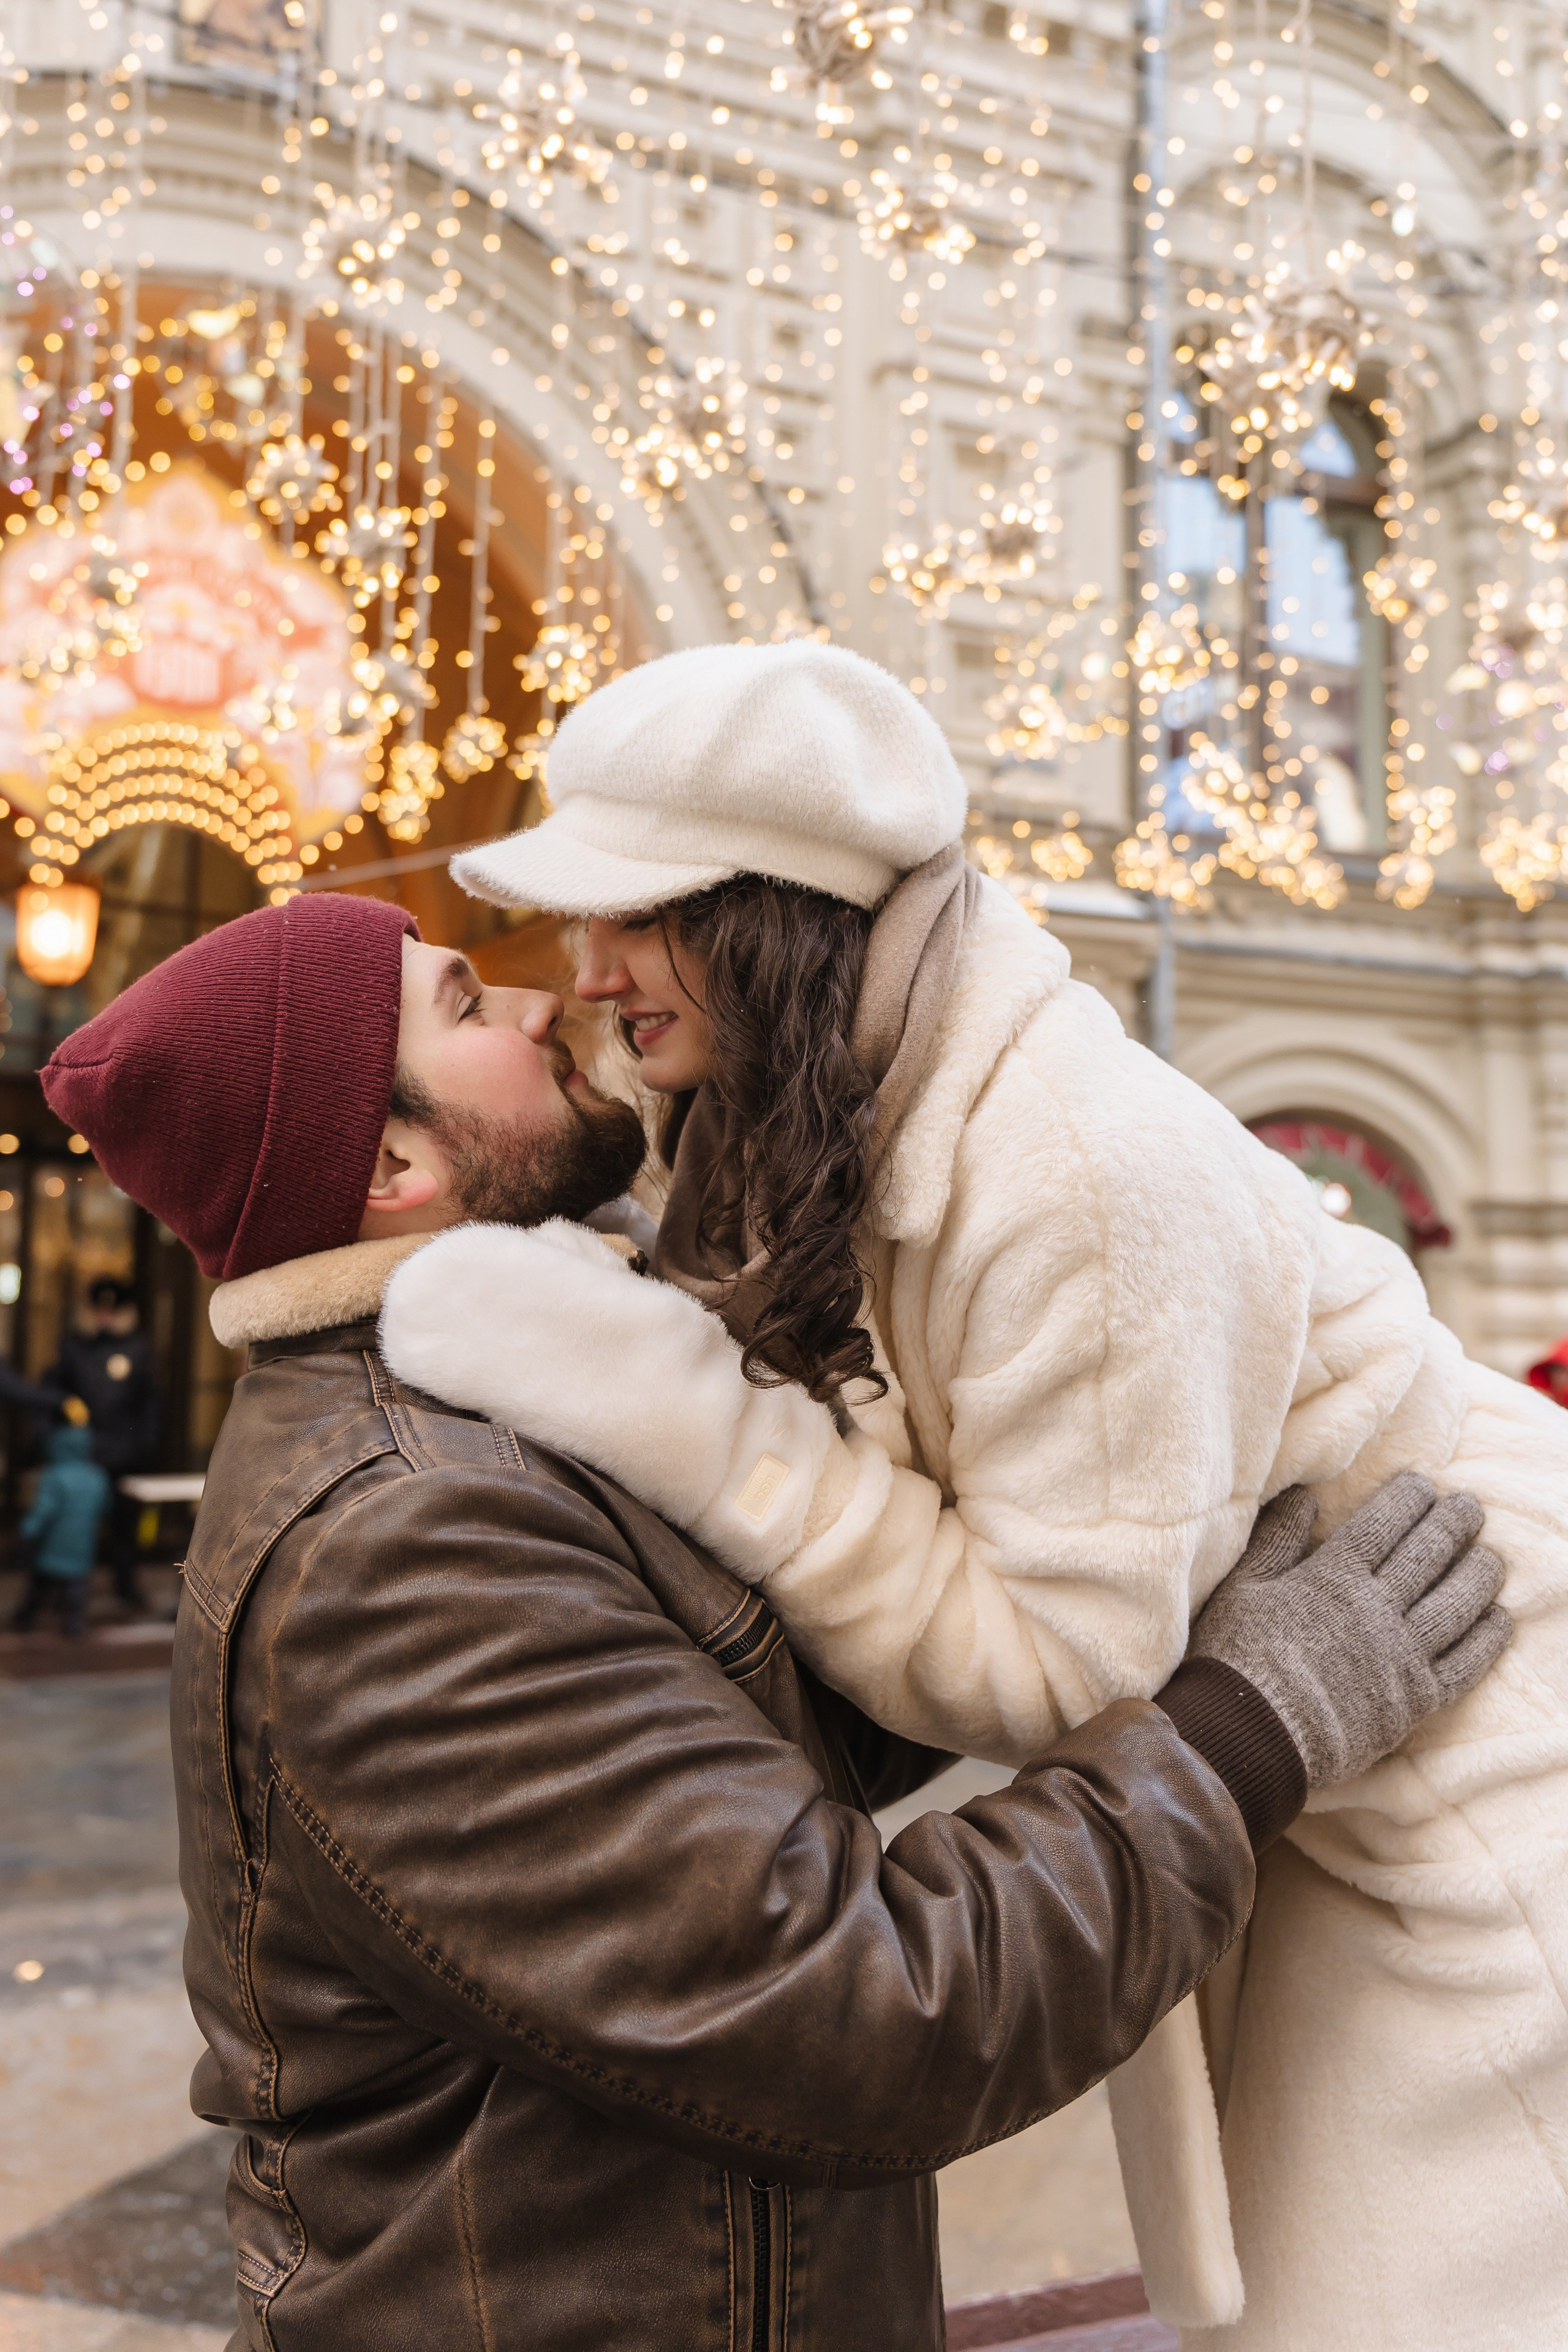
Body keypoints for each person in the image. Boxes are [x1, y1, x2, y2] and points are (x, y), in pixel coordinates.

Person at [38, 892, 1504, 2352]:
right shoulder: (407, 1544)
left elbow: (763, 1733)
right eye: (467, 1008)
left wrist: (1087, 1548)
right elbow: (864, 2010)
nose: (550, 1000)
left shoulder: (496, 1412)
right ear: (389, 1162)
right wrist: (1249, 1726)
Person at [383, 635, 1568, 2351]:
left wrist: (696, 1427)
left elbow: (1061, 1669)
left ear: (769, 913)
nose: (588, 970)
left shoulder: (1074, 1165)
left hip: (1460, 1712)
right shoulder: (816, 1109)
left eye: (633, 912)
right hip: (1325, 1726)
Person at [48, 1276, 159, 1610]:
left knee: (125, 1525)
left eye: (112, 1310)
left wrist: (145, 1447)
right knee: (74, 1525)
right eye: (99, 1309)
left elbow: (149, 1403)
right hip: (83, 1451)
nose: (104, 1316)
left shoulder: (138, 1347)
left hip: (124, 1453)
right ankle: (67, 1593)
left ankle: (126, 1586)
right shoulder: (75, 1345)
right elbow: (56, 1390)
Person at [11, 1410, 113, 1638]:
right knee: (77, 1586)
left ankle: (26, 1618)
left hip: (53, 1542)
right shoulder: (97, 1476)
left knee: (40, 1585)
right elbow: (106, 1507)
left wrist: (26, 1532)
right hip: (82, 1542)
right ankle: (74, 1623)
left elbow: (43, 1511)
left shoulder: (55, 1475)